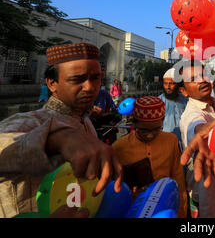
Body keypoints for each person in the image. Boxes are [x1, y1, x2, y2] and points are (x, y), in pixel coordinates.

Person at [0, 43, 122, 218]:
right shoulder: (29, 122)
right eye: (77, 79)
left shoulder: (86, 123)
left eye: (96, 78)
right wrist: (53, 138)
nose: (89, 87)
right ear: (52, 84)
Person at [177, 60, 215, 218]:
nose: (202, 80)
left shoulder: (214, 103)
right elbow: (196, 127)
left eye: (203, 74)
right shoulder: (190, 116)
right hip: (209, 204)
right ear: (184, 91)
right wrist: (202, 132)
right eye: (193, 78)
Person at [112, 96, 187, 218]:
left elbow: (178, 179)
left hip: (166, 207)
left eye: (157, 129)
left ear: (163, 121)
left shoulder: (171, 141)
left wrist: (182, 212)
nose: (150, 135)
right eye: (144, 130)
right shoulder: (118, 148)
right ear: (134, 123)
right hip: (133, 209)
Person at [158, 67, 187, 147]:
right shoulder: (158, 102)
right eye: (165, 83)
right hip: (164, 143)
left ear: (177, 84)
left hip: (183, 142)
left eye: (172, 83)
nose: (168, 87)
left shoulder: (185, 100)